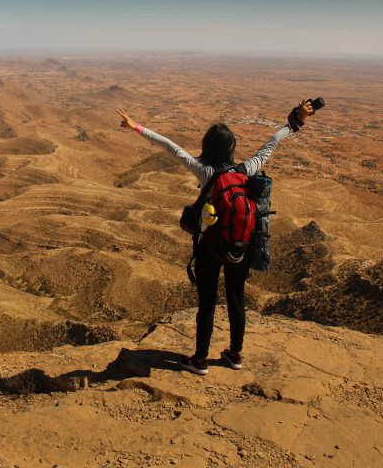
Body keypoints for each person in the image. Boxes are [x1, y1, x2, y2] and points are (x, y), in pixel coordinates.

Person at [116, 100, 314, 375]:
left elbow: (171, 147)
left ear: (208, 147)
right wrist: (297, 119)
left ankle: (199, 360)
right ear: (231, 148)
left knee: (207, 302)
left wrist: (135, 127)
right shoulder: (248, 169)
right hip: (240, 246)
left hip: (211, 247)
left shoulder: (205, 171)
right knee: (236, 298)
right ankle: (235, 355)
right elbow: (272, 143)